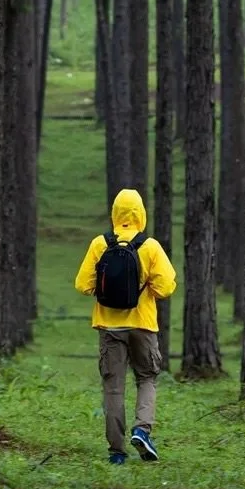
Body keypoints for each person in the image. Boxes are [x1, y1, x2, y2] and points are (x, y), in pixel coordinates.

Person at [74, 188, 176, 465]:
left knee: (114, 388)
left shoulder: (100, 244)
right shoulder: (150, 246)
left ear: (115, 213)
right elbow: (166, 287)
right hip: (143, 324)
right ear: (141, 213)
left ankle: (117, 451)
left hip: (109, 327)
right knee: (146, 377)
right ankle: (142, 430)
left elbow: (82, 285)